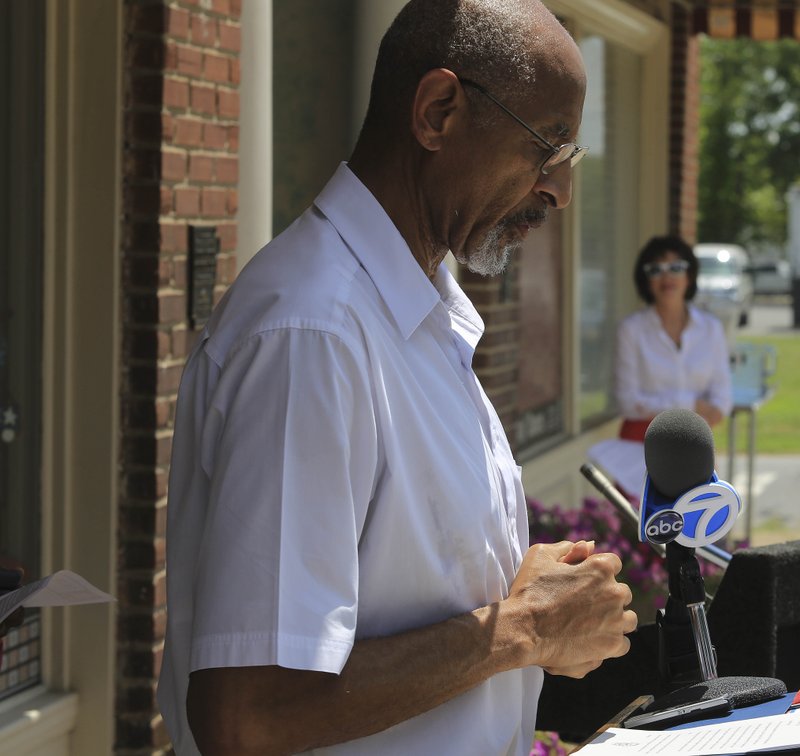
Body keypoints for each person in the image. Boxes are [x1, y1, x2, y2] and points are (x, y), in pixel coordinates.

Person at [157, 2, 637, 754]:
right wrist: (526, 628)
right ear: (438, 111)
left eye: (568, 161)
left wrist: (514, 611)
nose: (558, 191)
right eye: (548, 147)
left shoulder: (420, 315)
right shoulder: (313, 336)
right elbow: (248, 716)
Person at [615, 235, 733, 443]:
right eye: (655, 269)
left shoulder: (711, 329)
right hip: (640, 444)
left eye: (676, 267)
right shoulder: (631, 330)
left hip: (695, 444)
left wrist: (663, 406)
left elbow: (722, 399)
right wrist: (693, 405)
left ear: (689, 276)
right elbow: (627, 402)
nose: (666, 277)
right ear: (646, 281)